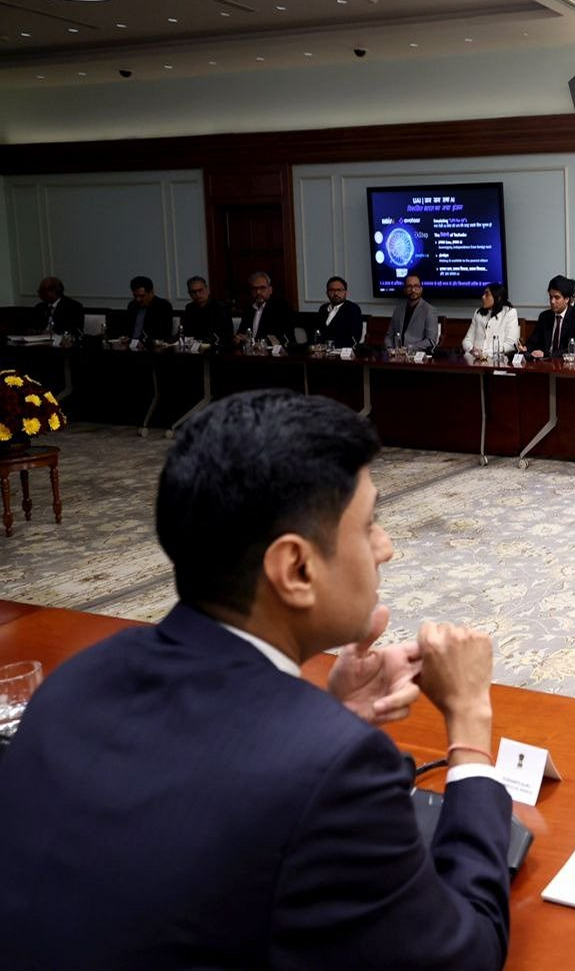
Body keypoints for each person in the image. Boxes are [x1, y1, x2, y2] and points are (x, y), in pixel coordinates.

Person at [0, 390, 512, 968]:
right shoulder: (333, 772)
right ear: (295, 569)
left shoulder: (79, 678)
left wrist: (329, 716)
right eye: (368, 526)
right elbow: (465, 955)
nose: (386, 548)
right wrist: (468, 726)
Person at [526, 275, 575, 359]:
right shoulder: (544, 316)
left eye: (557, 298)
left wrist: (547, 354)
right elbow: (533, 342)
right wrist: (526, 348)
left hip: (567, 366)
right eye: (550, 297)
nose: (552, 301)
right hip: (543, 365)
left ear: (567, 299)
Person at [236, 271, 296, 347]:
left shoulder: (280, 308)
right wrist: (239, 338)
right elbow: (241, 333)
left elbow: (279, 338)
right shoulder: (248, 309)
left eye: (262, 288)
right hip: (249, 353)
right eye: (254, 289)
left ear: (270, 290)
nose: (258, 292)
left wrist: (253, 341)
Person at [386, 273, 440, 352]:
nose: (413, 290)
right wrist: (389, 348)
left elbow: (430, 340)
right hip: (396, 355)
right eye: (409, 286)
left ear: (421, 289)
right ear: (404, 290)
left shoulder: (429, 310)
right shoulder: (398, 310)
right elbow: (389, 336)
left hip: (418, 356)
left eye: (416, 286)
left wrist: (409, 348)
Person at [465, 282, 518, 358]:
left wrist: (485, 353)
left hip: (497, 360)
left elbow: (510, 344)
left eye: (487, 295)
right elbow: (467, 340)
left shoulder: (509, 312)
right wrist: (472, 350)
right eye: (484, 294)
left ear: (498, 298)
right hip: (474, 360)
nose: (483, 297)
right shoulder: (478, 313)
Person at [179, 276, 234, 347]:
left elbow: (225, 335)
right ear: (189, 294)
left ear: (207, 290)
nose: (197, 294)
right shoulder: (189, 308)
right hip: (193, 347)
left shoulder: (220, 307)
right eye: (193, 292)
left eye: (200, 290)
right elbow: (184, 332)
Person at [119, 275, 175, 343]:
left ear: (151, 293)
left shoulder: (163, 306)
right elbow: (127, 330)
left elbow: (164, 334)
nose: (138, 299)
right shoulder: (132, 306)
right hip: (131, 344)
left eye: (141, 296)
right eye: (135, 296)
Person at [313, 275, 364, 348]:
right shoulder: (323, 309)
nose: (336, 293)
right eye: (332, 290)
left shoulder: (352, 309)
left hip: (342, 352)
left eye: (339, 290)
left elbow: (355, 337)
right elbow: (318, 333)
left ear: (345, 292)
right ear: (327, 293)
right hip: (322, 351)